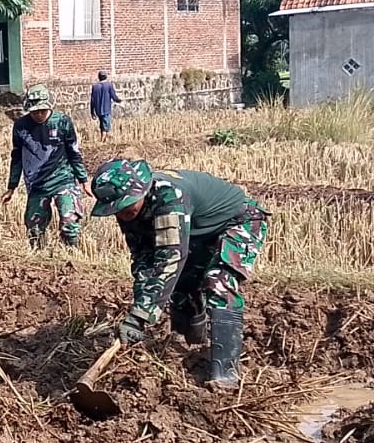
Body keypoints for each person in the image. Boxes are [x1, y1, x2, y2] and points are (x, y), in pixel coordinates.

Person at [86, 159, 270, 389]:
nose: (122, 213)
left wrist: (140, 317)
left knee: (218, 281)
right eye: (116, 209)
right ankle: (191, 346)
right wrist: (139, 308)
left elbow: (170, 257)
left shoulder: (168, 196)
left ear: (141, 190)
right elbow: (144, 260)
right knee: (182, 286)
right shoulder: (128, 213)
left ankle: (226, 373)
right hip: (197, 233)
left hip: (239, 222)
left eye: (126, 205)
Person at [2, 85, 92, 249]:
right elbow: (16, 157)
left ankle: (71, 257)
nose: (39, 114)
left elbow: (73, 152)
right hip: (37, 184)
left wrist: (84, 180)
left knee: (69, 222)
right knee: (34, 228)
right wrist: (12, 187)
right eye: (35, 111)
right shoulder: (20, 127)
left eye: (42, 110)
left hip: (63, 179)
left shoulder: (62, 122)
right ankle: (41, 259)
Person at [89, 71, 122, 141]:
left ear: (99, 77)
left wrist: (92, 112)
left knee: (102, 125)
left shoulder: (95, 87)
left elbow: (92, 100)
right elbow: (114, 97)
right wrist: (119, 100)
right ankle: (103, 141)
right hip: (106, 109)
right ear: (106, 77)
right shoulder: (109, 85)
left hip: (98, 110)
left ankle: (104, 140)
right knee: (106, 127)